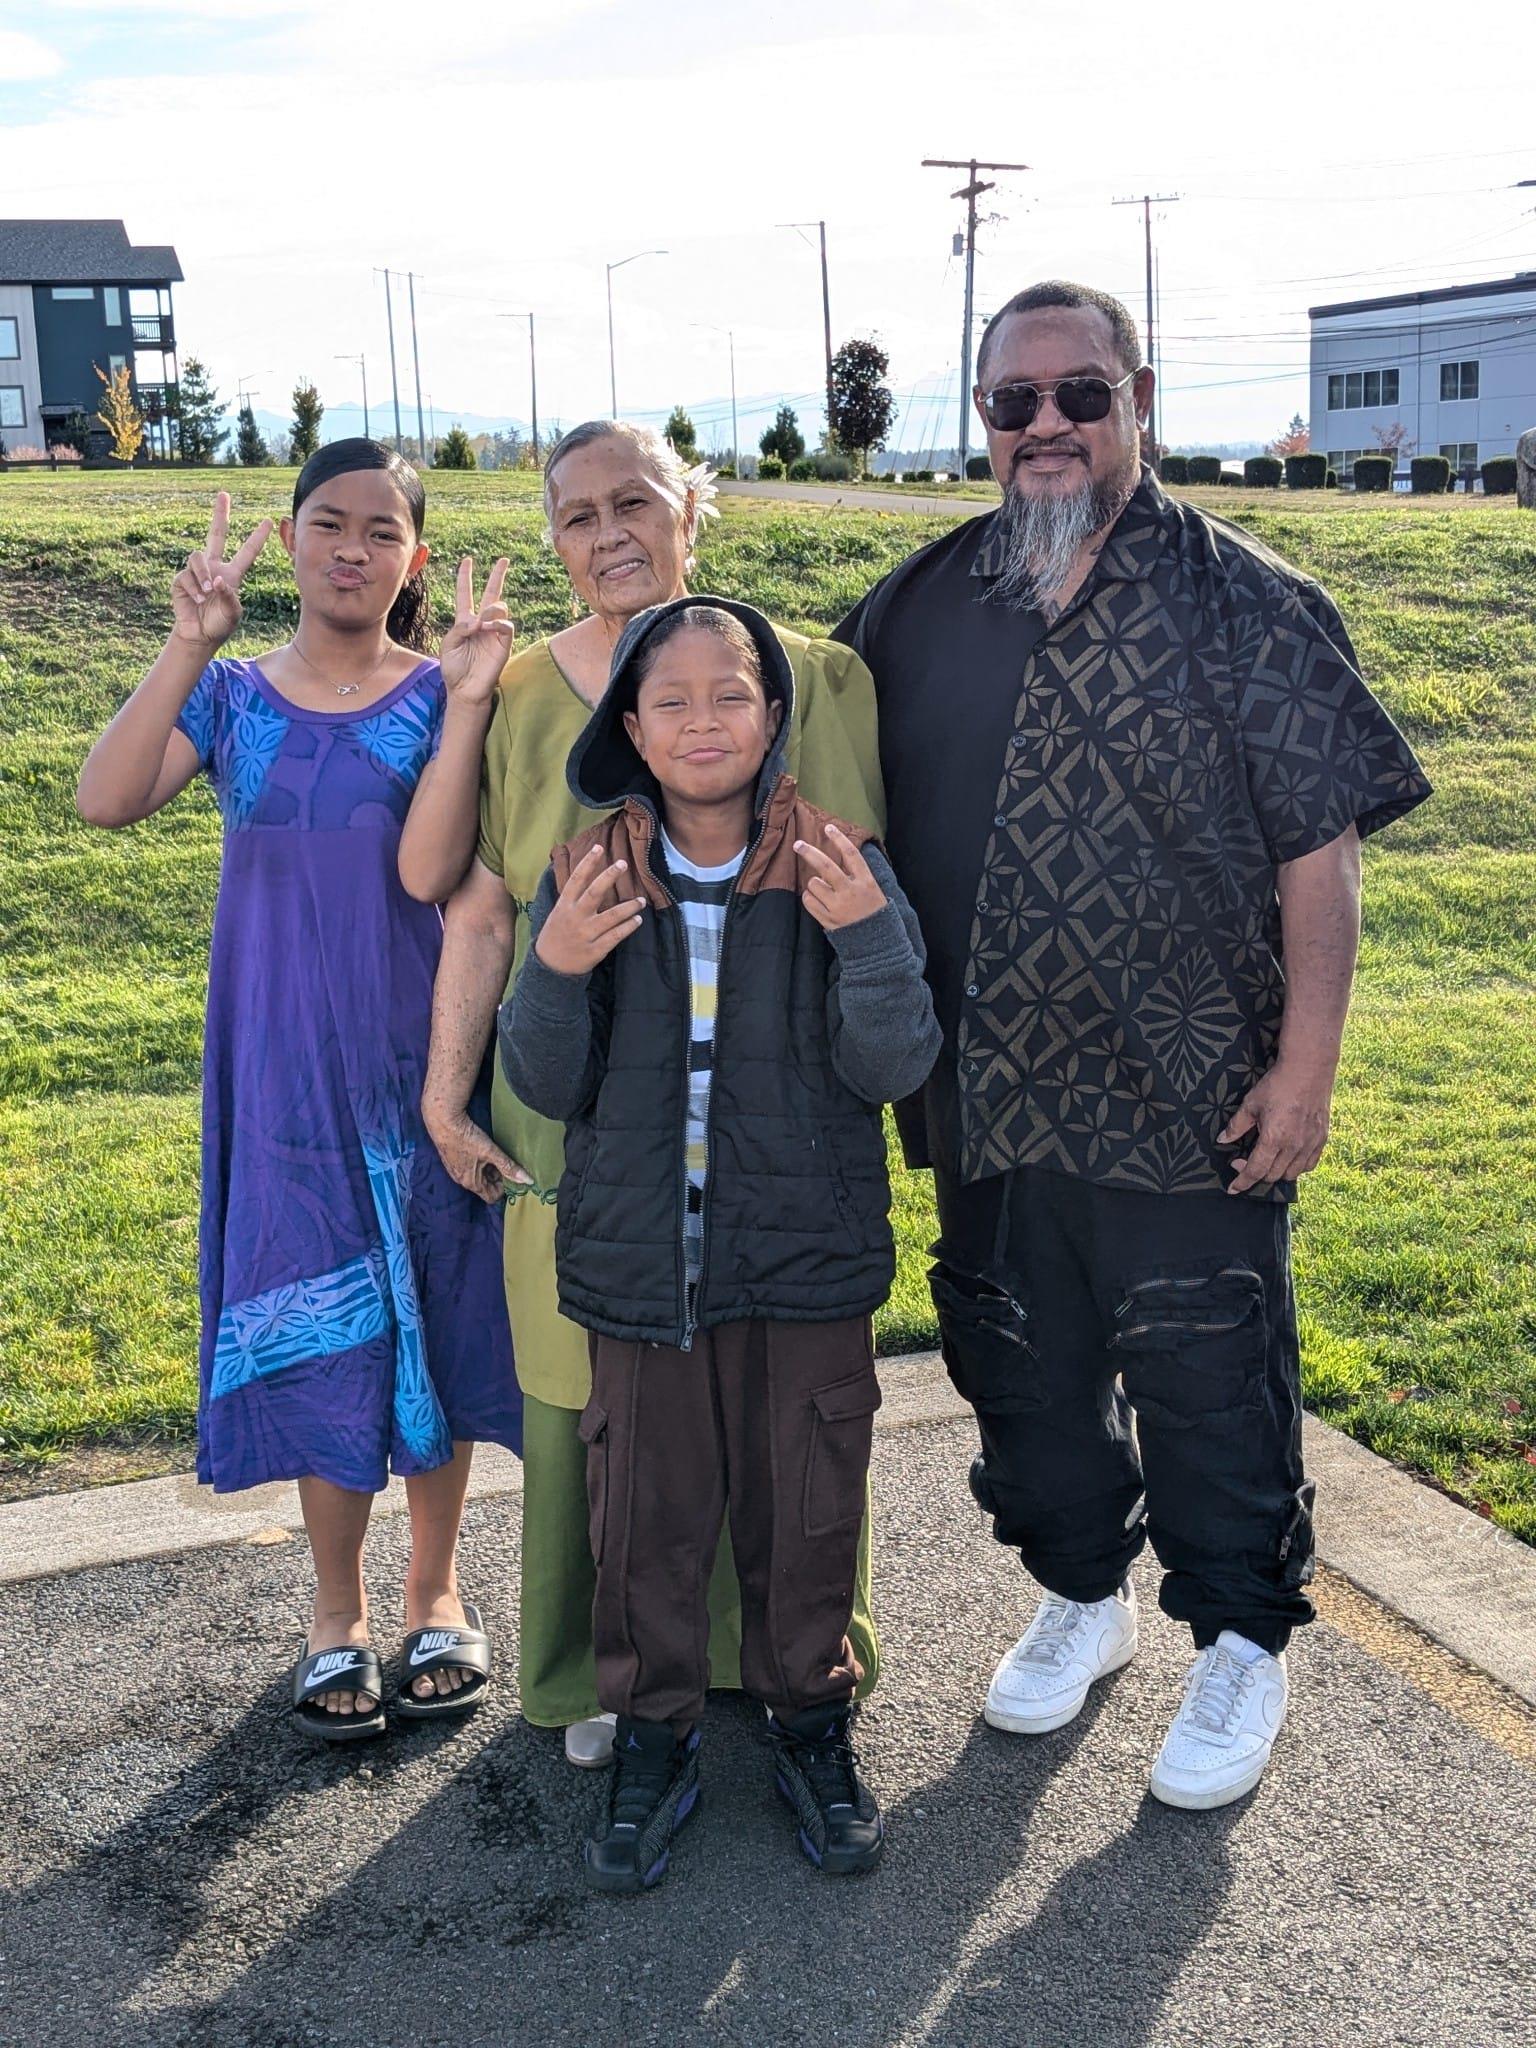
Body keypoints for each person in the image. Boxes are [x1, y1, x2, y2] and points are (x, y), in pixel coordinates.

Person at [835, 281, 1432, 1810]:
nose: (1045, 426)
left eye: (1080, 395)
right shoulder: (917, 607)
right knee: (1018, 1371)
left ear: (1138, 401)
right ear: (983, 418)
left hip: (1192, 1089)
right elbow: (772, 742)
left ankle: (1240, 1642)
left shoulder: (1249, 603)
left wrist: (1306, 1070)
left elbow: (1320, 853)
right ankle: (1081, 1594)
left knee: (1210, 1374)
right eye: (1012, 401)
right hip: (986, 1089)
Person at [401, 421, 886, 1765]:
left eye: (637, 502)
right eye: (577, 515)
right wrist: (448, 1097)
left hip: (766, 1112)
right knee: (593, 1390)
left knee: (776, 1388)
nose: (609, 534)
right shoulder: (516, 698)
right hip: (572, 1104)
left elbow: (865, 900)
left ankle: (784, 1659)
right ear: (553, 539)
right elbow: (477, 911)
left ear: (692, 510)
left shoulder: (806, 679)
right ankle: (600, 1671)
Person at [76, 443, 522, 1743]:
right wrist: (187, 643)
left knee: (430, 1316)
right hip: (277, 1070)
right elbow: (106, 799)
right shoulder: (229, 696)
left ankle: (436, 1589)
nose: (353, 549)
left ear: (414, 558)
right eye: (329, 523)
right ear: (287, 538)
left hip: (420, 1063)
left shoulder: (446, 691)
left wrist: (471, 706)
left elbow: (436, 876)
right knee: (327, 1334)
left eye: (383, 531)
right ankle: (337, 1611)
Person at [500, 598, 940, 1890]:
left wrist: (868, 941)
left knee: (809, 1508)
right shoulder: (588, 874)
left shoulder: (838, 864)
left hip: (804, 1261)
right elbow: (546, 1081)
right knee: (646, 1516)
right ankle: (654, 1736)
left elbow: (895, 1064)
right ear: (631, 730)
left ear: (774, 716)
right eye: (672, 700)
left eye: (732, 694)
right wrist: (554, 967)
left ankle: (812, 1723)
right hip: (642, 1269)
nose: (704, 721)